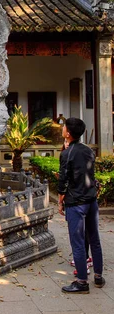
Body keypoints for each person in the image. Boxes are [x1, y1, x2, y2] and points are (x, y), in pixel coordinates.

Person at [58, 117, 104, 293]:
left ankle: (82, 282)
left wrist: (61, 201)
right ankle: (98, 277)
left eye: (64, 127)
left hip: (76, 203)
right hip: (91, 200)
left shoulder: (66, 153)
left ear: (68, 133)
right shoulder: (88, 150)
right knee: (95, 240)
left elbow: (63, 180)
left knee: (77, 243)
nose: (62, 128)